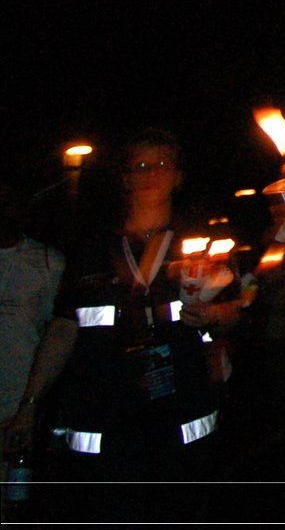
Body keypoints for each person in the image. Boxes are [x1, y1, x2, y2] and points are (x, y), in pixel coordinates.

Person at [12, 129, 236, 520]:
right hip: (106, 425)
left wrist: (217, 316)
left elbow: (240, 312)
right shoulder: (93, 250)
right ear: (125, 177)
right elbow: (64, 329)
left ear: (178, 176)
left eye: (162, 165)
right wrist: (29, 405)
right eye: (141, 166)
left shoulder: (201, 244)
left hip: (179, 425)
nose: (151, 174)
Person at [0, 177, 65, 455]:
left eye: (9, 203)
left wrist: (30, 406)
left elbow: (57, 332)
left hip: (18, 408)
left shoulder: (48, 262)